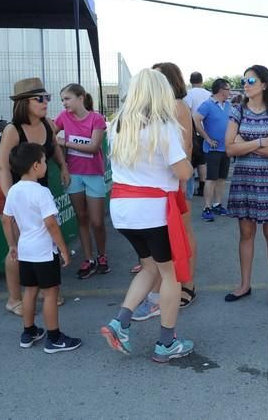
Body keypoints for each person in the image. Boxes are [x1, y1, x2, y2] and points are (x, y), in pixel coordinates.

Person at [99, 69, 195, 362]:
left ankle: (120, 322)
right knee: (170, 275)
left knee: (149, 267)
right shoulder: (163, 127)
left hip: (123, 210)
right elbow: (182, 172)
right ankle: (166, 343)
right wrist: (188, 167)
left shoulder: (117, 125)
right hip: (154, 211)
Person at [130, 62, 200, 321]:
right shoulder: (157, 110)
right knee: (169, 238)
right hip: (165, 180)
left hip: (175, 179)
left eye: (158, 77)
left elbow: (186, 145)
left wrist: (181, 182)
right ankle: (164, 286)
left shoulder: (177, 106)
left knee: (182, 233)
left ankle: (187, 284)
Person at [0, 78, 70, 316]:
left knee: (44, 243)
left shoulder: (48, 124)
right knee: (17, 247)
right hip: (13, 194)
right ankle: (14, 298)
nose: (46, 102)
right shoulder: (12, 130)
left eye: (46, 97)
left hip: (37, 194)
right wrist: (12, 201)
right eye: (39, 98)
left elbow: (55, 148)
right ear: (23, 103)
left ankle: (45, 290)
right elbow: (3, 168)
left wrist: (63, 166)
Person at [2, 142, 81, 353]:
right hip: (44, 252)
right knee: (50, 294)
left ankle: (28, 332)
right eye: (44, 161)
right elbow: (51, 224)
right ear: (36, 165)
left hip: (25, 249)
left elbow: (6, 220)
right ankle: (54, 337)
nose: (46, 164)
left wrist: (12, 245)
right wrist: (63, 249)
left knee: (29, 292)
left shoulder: (13, 191)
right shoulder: (42, 192)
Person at [225, 65, 268, 308]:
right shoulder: (237, 111)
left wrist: (245, 143)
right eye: (244, 80)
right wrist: (261, 141)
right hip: (244, 180)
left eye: (251, 80)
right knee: (246, 233)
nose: (246, 83)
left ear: (264, 84)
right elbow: (229, 148)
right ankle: (244, 285)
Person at [54, 83, 108, 280]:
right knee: (81, 218)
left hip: (94, 174)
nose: (64, 103)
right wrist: (63, 165)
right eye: (62, 100)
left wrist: (65, 142)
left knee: (97, 221)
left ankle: (102, 256)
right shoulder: (63, 117)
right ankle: (88, 258)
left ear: (80, 98)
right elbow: (48, 134)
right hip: (74, 174)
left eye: (67, 99)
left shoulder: (96, 118)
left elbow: (94, 147)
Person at [194, 78, 233, 222]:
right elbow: (196, 119)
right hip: (213, 149)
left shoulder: (228, 105)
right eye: (228, 89)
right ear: (221, 90)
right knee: (210, 179)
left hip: (226, 148)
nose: (230, 92)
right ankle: (207, 207)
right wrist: (207, 138)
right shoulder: (207, 104)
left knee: (221, 178)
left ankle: (217, 204)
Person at [184, 71, 211, 197]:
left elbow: (187, 112)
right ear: (202, 80)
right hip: (206, 131)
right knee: (203, 161)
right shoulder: (209, 94)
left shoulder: (188, 94)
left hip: (193, 131)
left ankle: (189, 188)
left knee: (191, 159)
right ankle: (202, 187)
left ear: (190, 81)